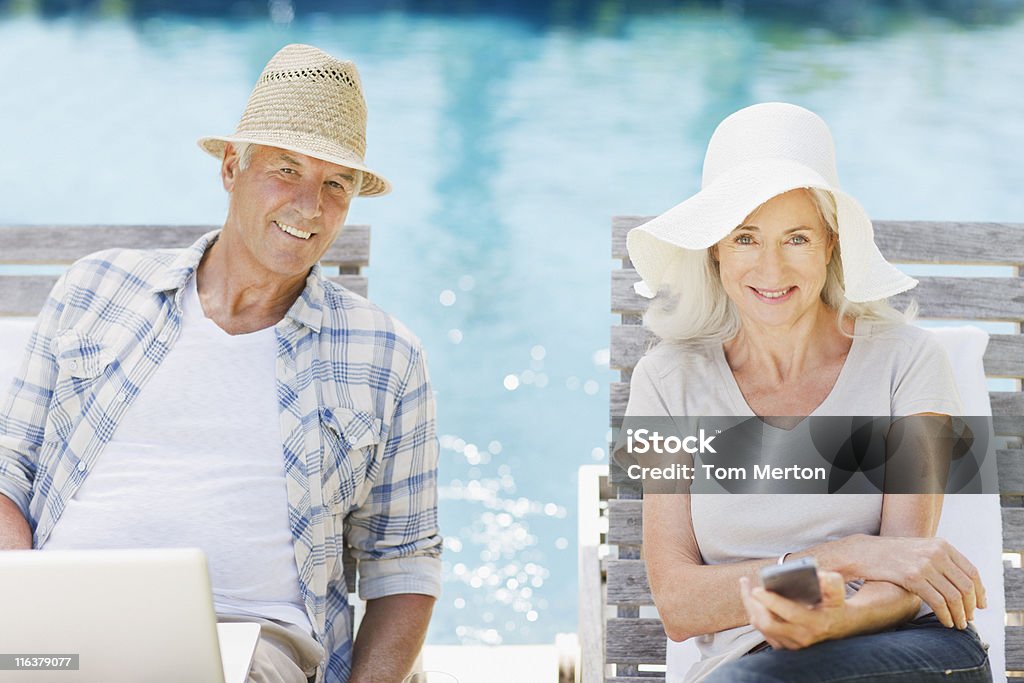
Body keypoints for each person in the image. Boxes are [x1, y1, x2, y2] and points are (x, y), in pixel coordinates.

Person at [0, 44, 441, 683]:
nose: (310, 207)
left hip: (250, 647)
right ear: (232, 167)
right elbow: (8, 471)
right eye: (286, 170)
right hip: (60, 633)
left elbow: (405, 565)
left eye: (335, 185)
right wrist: (25, 602)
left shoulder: (387, 354)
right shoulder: (96, 289)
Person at [623, 102, 992, 682]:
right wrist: (839, 556)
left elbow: (903, 579)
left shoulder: (909, 362)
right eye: (746, 238)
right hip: (748, 664)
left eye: (796, 237)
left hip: (907, 652)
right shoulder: (666, 383)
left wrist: (828, 622)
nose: (771, 268)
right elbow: (678, 605)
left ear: (830, 246)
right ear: (716, 249)